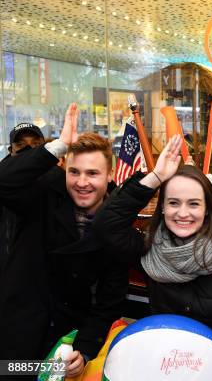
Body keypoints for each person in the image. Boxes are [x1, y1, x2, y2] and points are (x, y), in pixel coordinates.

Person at [91, 135, 212, 379]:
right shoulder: (149, 248)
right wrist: (155, 178)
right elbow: (104, 226)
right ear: (163, 207)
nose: (182, 213)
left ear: (207, 209)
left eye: (193, 204)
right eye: (173, 203)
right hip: (161, 369)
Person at [0, 104, 127, 379]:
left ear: (110, 176)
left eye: (92, 173)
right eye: (74, 172)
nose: (82, 182)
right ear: (64, 169)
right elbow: (4, 180)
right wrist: (58, 145)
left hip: (65, 347)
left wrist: (85, 350)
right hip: (17, 341)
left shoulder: (117, 223)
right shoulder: (46, 193)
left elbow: (109, 302)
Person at [0, 123, 45, 274]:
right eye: (21, 145)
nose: (29, 149)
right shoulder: (4, 181)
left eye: (36, 144)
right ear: (11, 151)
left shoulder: (55, 180)